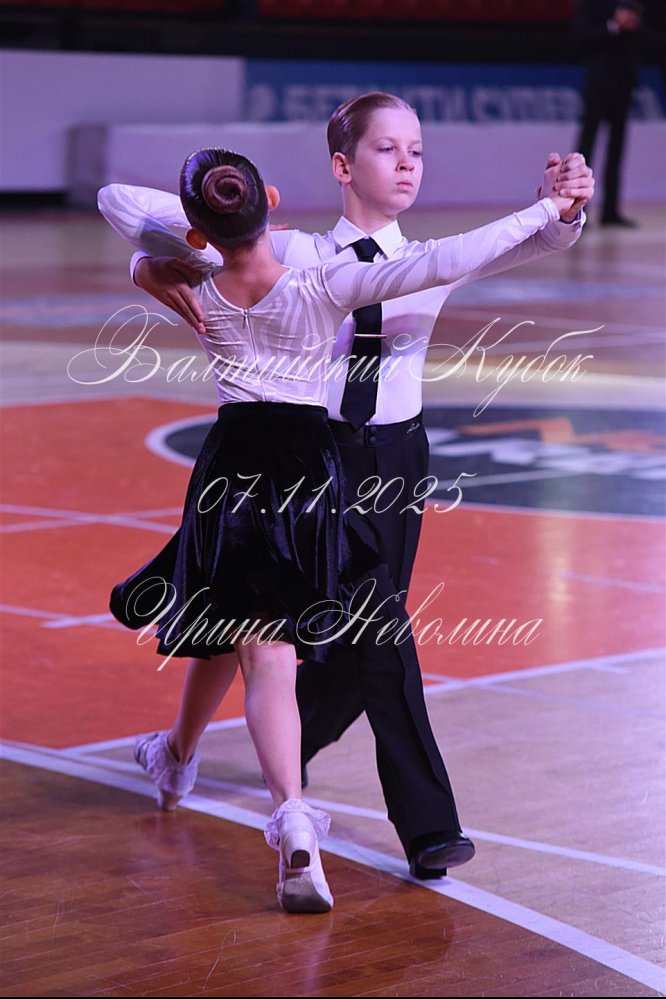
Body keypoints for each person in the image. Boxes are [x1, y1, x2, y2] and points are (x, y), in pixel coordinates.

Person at [98, 93, 593, 890]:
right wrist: (147, 267)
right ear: (342, 164)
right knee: (355, 627)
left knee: (334, 628)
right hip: (312, 457)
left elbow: (523, 242)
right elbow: (186, 233)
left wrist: (563, 208)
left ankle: (262, 747)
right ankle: (428, 827)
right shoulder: (296, 251)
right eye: (388, 149)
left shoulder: (431, 256)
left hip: (393, 459)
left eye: (417, 151)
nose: (407, 164)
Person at [575, 0, 645, 226]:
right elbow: (582, 36)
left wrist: (633, 25)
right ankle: (577, 211)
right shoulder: (592, 5)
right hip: (598, 84)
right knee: (586, 149)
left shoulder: (630, 4)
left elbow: (646, 38)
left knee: (616, 149)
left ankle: (610, 211)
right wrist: (614, 25)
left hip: (623, 86)